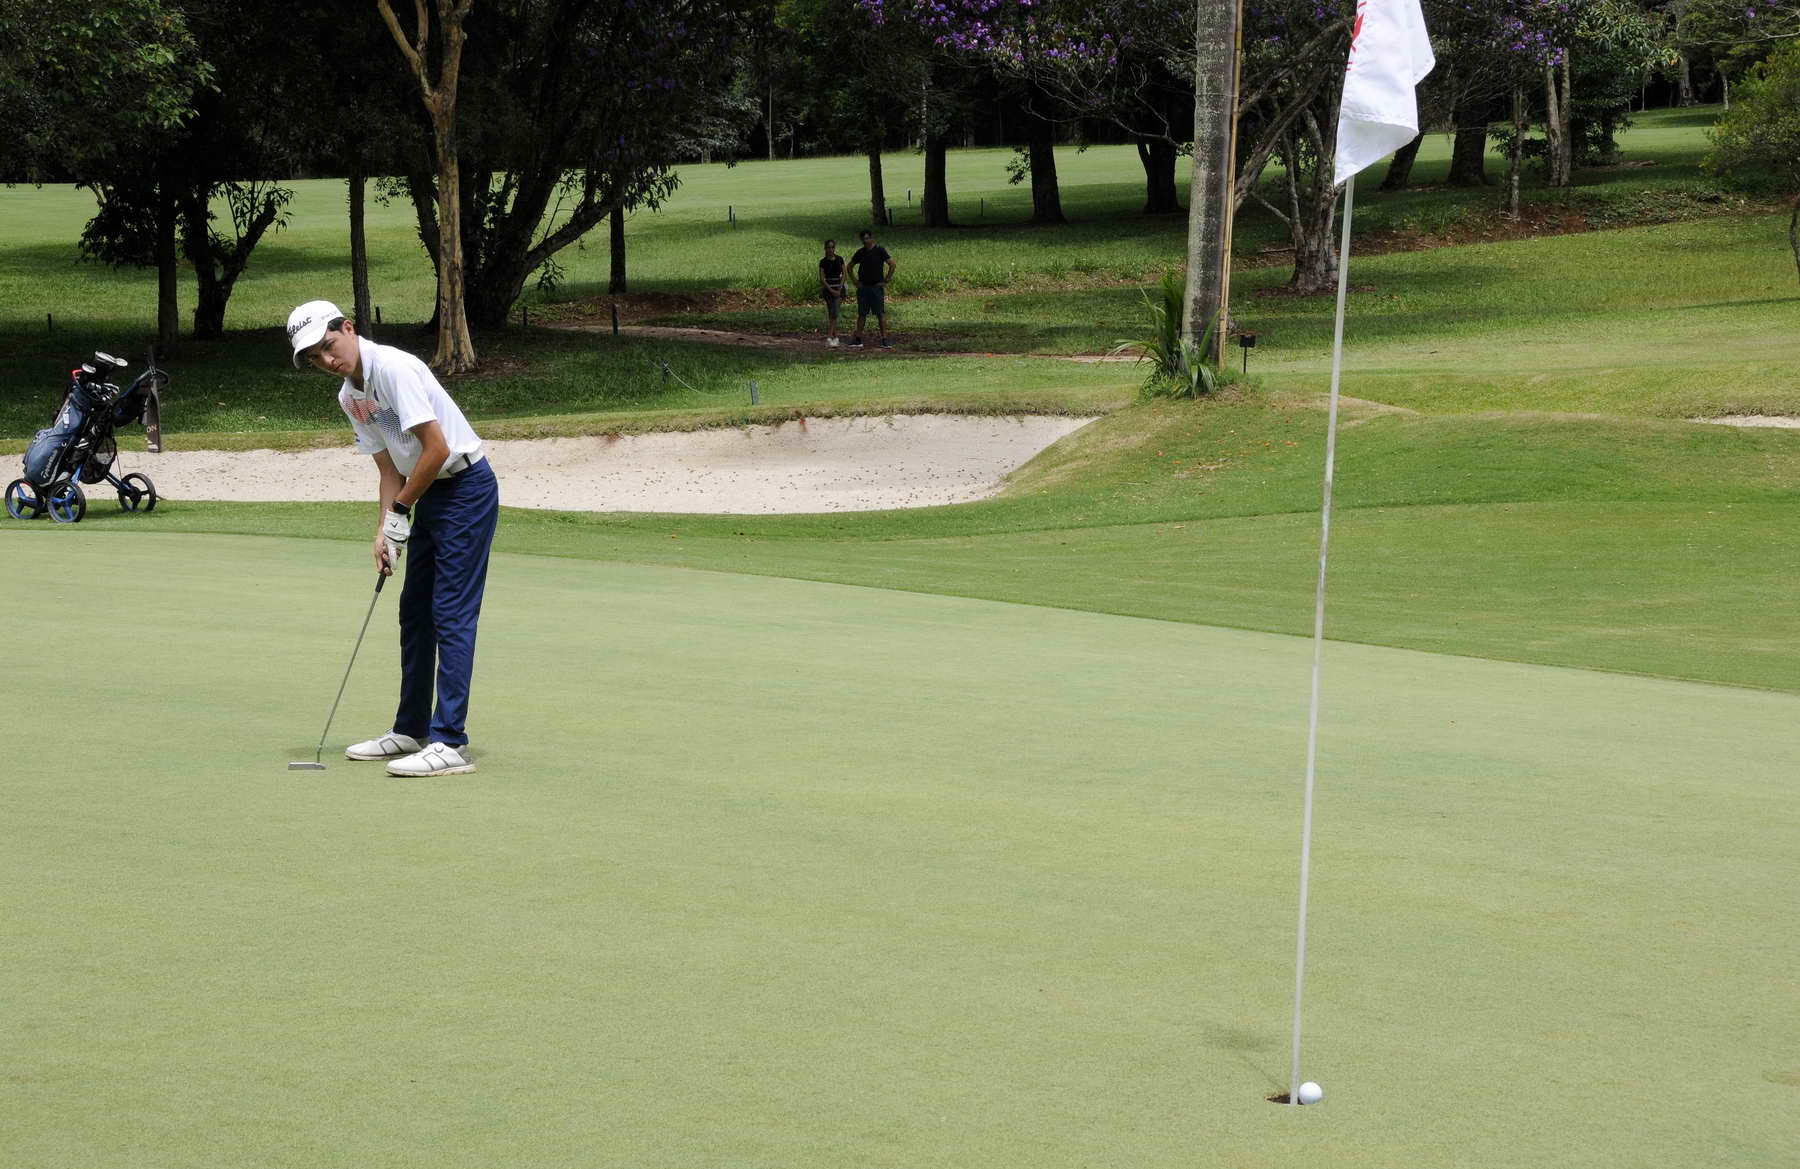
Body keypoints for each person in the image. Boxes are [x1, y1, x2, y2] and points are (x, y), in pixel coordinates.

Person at [286, 300, 499, 778]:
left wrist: (401, 510)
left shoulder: (393, 368)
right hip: (426, 490)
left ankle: (450, 741)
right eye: (315, 357)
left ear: (348, 328)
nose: (327, 360)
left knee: (451, 612)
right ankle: (411, 729)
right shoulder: (350, 397)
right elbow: (388, 469)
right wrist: (385, 529)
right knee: (414, 612)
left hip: (465, 487)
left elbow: (437, 448)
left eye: (329, 346)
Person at [846, 228, 896, 349]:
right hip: (863, 287)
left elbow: (892, 264)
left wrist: (886, 280)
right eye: (863, 239)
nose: (866, 241)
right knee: (862, 314)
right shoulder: (860, 252)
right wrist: (855, 281)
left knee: (880, 313)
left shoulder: (880, 250)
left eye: (867, 238)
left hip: (876, 287)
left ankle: (884, 339)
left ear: (871, 238)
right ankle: (858, 338)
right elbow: (849, 266)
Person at [818, 239, 847, 347]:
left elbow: (844, 274)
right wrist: (831, 290)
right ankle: (836, 337)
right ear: (825, 248)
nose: (830, 250)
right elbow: (822, 278)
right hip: (828, 289)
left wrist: (839, 288)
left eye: (832, 247)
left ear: (834, 248)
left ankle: (829, 337)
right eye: (828, 247)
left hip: (839, 289)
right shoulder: (823, 262)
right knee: (831, 313)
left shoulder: (840, 259)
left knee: (835, 312)